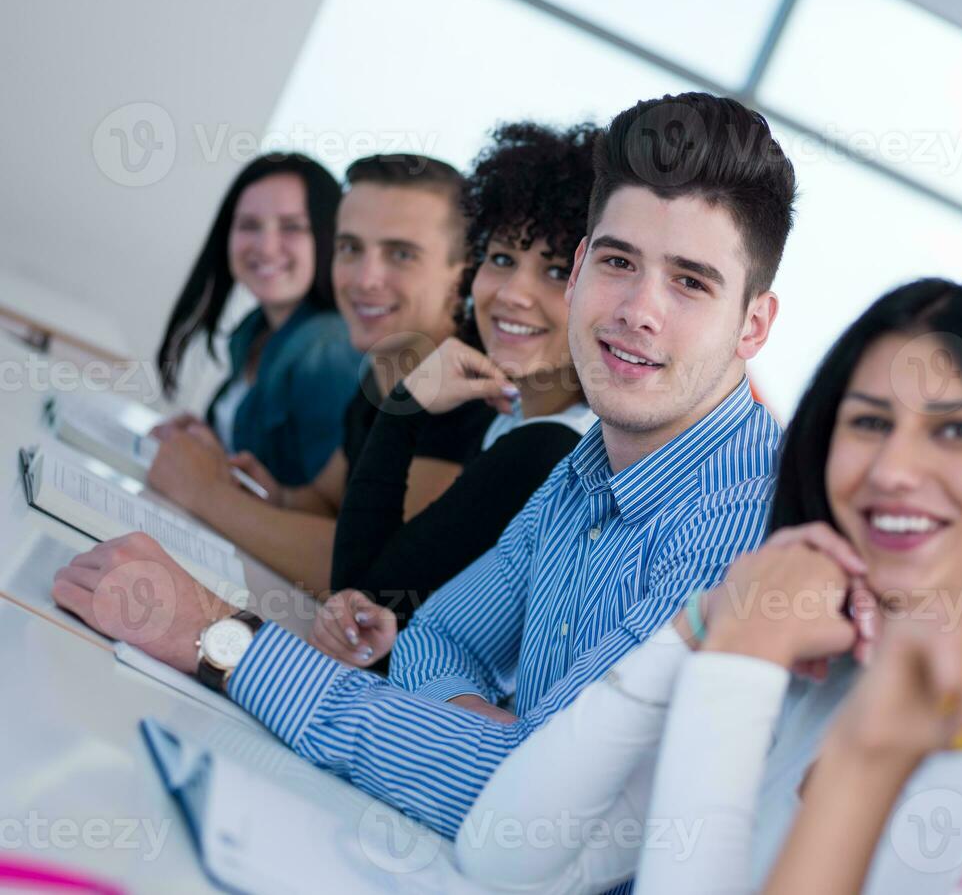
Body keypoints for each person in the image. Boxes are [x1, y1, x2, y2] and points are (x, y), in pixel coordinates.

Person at [50, 91, 795, 842]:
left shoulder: (743, 529)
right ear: (582, 273)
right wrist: (485, 740)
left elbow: (530, 809)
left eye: (690, 282)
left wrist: (219, 639)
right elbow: (434, 640)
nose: (640, 308)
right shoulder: (587, 467)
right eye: (617, 262)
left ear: (753, 324)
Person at [451, 278, 962, 894]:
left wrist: (740, 658)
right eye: (868, 422)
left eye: (956, 430)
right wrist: (699, 624)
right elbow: (502, 854)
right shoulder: (805, 663)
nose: (893, 469)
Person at [148, 153, 479, 594]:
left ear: (464, 272)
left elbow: (371, 571)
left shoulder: (468, 395)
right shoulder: (386, 367)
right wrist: (256, 488)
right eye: (350, 248)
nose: (364, 278)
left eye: (401, 254)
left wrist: (205, 493)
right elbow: (330, 502)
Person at [320, 121, 600, 640]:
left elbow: (359, 604)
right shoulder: (514, 416)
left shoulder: (551, 447)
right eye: (501, 258)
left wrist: (406, 403)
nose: (513, 293)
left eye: (558, 271)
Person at [154, 152, 361, 487]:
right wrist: (204, 444)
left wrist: (215, 473)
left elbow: (324, 517)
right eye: (249, 225)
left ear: (328, 237)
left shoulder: (329, 350)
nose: (266, 247)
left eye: (292, 227)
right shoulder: (255, 328)